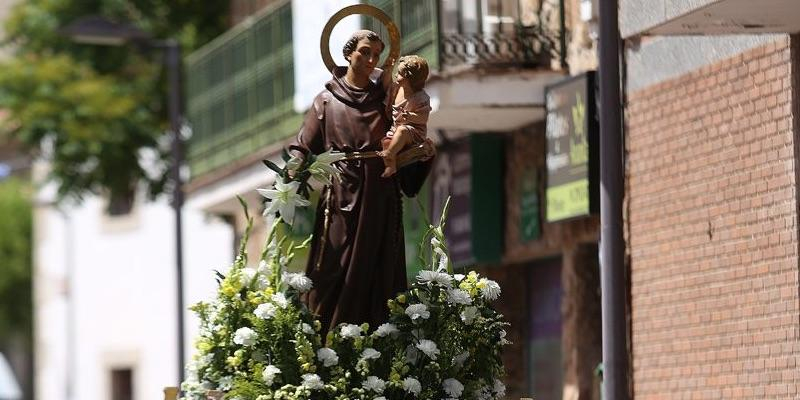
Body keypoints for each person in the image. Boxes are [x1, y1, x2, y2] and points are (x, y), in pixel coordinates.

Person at [291, 30, 408, 336]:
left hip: (379, 194)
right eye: (365, 52)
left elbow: (405, 133)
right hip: (342, 193)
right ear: (348, 54)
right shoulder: (326, 101)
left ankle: (376, 339)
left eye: (376, 55)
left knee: (377, 268)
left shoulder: (385, 100)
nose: (371, 60)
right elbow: (304, 145)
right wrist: (294, 166)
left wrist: (420, 149)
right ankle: (327, 337)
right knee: (332, 266)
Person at [378, 55, 431, 177]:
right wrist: (389, 70)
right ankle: (391, 166)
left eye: (400, 73)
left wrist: (411, 116)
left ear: (410, 78)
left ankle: (389, 154)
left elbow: (424, 118)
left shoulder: (420, 98)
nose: (396, 75)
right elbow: (385, 85)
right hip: (395, 129)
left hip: (414, 132)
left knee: (402, 131)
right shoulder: (396, 89)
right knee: (387, 141)